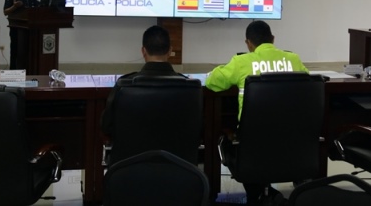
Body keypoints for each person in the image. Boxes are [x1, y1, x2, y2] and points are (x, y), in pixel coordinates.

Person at [205, 20, 308, 205]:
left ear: (248, 43)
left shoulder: (241, 62)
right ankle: (269, 195)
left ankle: (259, 194)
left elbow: (212, 82)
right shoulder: (294, 60)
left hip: (252, 149)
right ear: (273, 39)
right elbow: (309, 83)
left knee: (225, 134)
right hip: (291, 146)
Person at [100, 25, 186, 138]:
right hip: (176, 149)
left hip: (131, 149)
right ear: (170, 51)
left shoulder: (124, 84)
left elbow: (107, 126)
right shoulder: (188, 85)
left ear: (143, 51)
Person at [3, 0, 39, 69]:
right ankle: (14, 70)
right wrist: (14, 6)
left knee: (30, 50)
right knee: (16, 50)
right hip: (16, 28)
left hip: (30, 28)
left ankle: (29, 70)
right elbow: (5, 12)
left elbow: (38, 7)